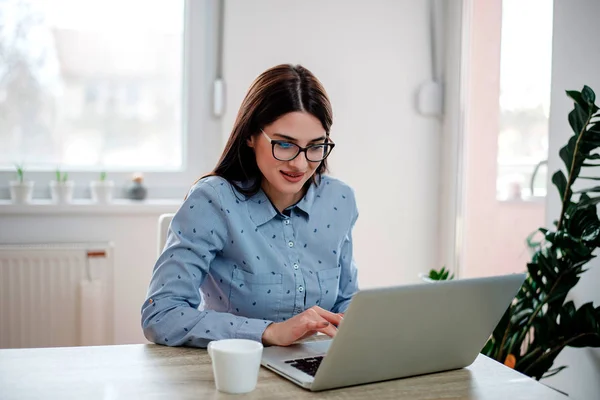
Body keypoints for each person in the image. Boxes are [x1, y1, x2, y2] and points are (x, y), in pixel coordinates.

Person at [141, 64, 359, 348]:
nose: (300, 164)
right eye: (284, 144)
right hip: (235, 370)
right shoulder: (213, 200)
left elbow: (346, 301)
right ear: (250, 135)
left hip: (314, 368)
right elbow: (161, 315)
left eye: (316, 146)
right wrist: (269, 332)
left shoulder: (339, 200)